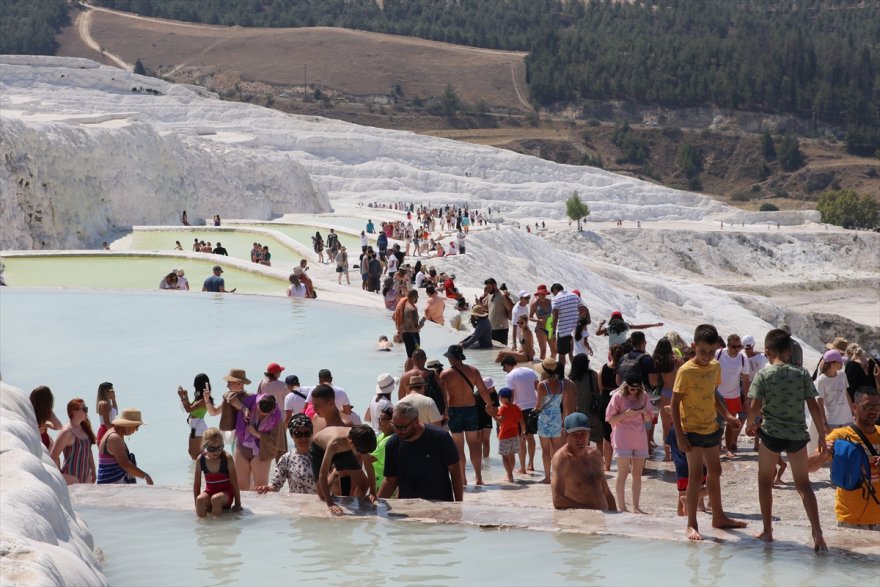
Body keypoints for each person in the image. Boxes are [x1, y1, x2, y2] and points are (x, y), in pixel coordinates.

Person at [746, 328, 827, 552]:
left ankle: (768, 530)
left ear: (767, 351)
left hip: (771, 435)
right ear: (789, 352)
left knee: (765, 481)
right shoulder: (801, 374)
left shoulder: (763, 374)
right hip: (797, 436)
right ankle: (817, 531)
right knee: (803, 485)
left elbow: (753, 407)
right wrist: (821, 434)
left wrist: (749, 425)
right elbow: (813, 405)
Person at [671, 323, 747, 541]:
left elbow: (714, 395)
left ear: (716, 349)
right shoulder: (685, 371)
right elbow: (675, 405)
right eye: (702, 351)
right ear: (694, 346)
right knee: (696, 475)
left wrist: (728, 415)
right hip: (691, 429)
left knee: (716, 471)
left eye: (711, 352)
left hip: (711, 426)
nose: (706, 356)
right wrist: (679, 435)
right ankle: (691, 523)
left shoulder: (715, 367)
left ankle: (719, 517)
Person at [808, 387, 880, 531]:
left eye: (877, 407)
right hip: (851, 519)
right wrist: (823, 454)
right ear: (854, 407)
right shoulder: (840, 437)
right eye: (868, 406)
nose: (873, 411)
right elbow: (807, 467)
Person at [378, 401, 463, 502]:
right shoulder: (392, 444)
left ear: (416, 422)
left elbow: (455, 471)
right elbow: (390, 481)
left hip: (440, 505)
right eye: (394, 426)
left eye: (402, 427)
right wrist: (377, 506)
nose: (397, 431)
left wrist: (458, 504)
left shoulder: (440, 438)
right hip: (408, 509)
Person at [439, 345, 495, 486]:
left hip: (454, 411)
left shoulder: (445, 374)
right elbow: (483, 390)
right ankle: (479, 478)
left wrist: (444, 413)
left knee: (459, 447)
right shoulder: (473, 371)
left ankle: (463, 479)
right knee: (474, 445)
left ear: (452, 358)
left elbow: (444, 397)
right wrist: (489, 405)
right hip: (471, 410)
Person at [223, 370, 284, 490]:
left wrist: (256, 433)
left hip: (262, 452)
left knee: (260, 489)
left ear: (272, 411)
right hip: (242, 448)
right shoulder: (250, 400)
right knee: (241, 489)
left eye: (265, 415)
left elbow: (276, 443)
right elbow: (228, 396)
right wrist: (244, 409)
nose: (261, 416)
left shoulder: (277, 418)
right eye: (259, 412)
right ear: (256, 404)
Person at [606, 372, 653, 513]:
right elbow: (610, 419)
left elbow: (648, 420)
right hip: (622, 435)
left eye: (637, 389)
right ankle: (622, 506)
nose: (634, 391)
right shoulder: (618, 396)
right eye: (632, 389)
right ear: (626, 386)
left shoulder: (644, 396)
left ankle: (636, 506)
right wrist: (626, 414)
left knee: (637, 474)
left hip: (639, 436)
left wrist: (644, 412)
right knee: (623, 473)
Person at [551, 413, 617, 510]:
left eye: (583, 433)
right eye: (575, 434)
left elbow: (606, 491)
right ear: (565, 434)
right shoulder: (562, 459)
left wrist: (614, 516)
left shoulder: (595, 455)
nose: (580, 438)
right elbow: (557, 500)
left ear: (589, 433)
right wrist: (591, 510)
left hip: (602, 519)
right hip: (581, 519)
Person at [310, 425, 378, 515]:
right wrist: (330, 504)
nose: (362, 454)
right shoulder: (334, 443)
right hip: (319, 449)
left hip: (345, 449)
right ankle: (335, 473)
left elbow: (369, 468)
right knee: (323, 495)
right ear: (350, 441)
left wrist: (373, 492)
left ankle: (353, 505)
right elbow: (322, 474)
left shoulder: (361, 442)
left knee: (364, 485)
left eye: (365, 451)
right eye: (360, 451)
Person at [256, 414, 317, 495]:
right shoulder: (287, 458)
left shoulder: (320, 455)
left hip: (319, 505)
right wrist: (267, 488)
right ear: (291, 435)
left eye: (306, 433)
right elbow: (276, 485)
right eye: (298, 434)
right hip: (298, 505)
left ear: (312, 433)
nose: (303, 438)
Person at [534, 358, 569, 484]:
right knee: (557, 450)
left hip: (544, 419)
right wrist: (564, 422)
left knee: (545, 450)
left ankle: (548, 477)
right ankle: (558, 475)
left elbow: (538, 406)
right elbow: (565, 406)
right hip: (556, 419)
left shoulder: (542, 385)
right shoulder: (562, 384)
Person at [501, 355, 539, 473]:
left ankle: (522, 468)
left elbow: (510, 396)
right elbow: (538, 388)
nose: (505, 371)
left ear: (507, 365)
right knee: (530, 437)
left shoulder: (510, 375)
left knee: (521, 438)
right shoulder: (530, 371)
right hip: (533, 407)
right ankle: (531, 464)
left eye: (504, 368)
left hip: (520, 409)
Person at [716, 334, 751, 456]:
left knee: (731, 424)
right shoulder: (719, 354)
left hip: (734, 396)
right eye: (734, 346)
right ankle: (717, 446)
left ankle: (728, 449)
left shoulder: (743, 359)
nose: (737, 349)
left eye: (739, 346)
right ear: (728, 345)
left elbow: (746, 380)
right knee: (716, 423)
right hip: (718, 394)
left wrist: (746, 399)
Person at [96, 408, 153, 485]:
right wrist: (145, 476)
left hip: (112, 483)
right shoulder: (114, 437)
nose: (136, 430)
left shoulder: (117, 434)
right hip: (111, 485)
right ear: (128, 425)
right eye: (137, 427)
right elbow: (125, 464)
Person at [193, 428, 242, 517]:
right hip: (210, 492)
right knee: (199, 500)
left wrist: (238, 503)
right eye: (212, 448)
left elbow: (234, 482)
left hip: (226, 495)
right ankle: (203, 528)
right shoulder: (201, 460)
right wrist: (196, 504)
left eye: (220, 448)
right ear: (205, 447)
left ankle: (217, 527)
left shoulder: (227, 458)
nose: (217, 451)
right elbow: (197, 484)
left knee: (216, 499)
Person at [50, 399, 96, 485]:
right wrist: (60, 476)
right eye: (84, 409)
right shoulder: (67, 432)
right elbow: (54, 455)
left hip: (85, 478)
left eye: (87, 409)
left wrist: (93, 469)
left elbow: (88, 450)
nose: (86, 412)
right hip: (71, 480)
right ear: (74, 412)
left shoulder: (84, 429)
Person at [178, 373, 222, 460]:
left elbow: (188, 409)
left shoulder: (203, 400)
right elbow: (190, 406)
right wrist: (185, 396)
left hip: (198, 427)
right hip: (195, 427)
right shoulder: (199, 397)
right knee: (191, 452)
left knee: (198, 454)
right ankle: (197, 470)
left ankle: (203, 469)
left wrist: (181, 397)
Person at [567, 354, 603, 452]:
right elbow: (599, 391)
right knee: (599, 439)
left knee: (583, 439)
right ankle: (601, 460)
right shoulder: (593, 374)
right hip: (594, 411)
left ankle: (584, 459)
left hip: (579, 413)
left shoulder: (571, 379)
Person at [653, 338, 680, 461]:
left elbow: (654, 380)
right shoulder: (676, 362)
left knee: (665, 426)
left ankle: (667, 455)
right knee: (677, 424)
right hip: (675, 393)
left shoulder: (657, 363)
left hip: (664, 393)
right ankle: (677, 452)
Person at [816, 350, 852, 432]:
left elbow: (846, 393)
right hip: (832, 421)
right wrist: (824, 422)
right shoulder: (821, 380)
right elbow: (820, 402)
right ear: (832, 364)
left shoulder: (842, 375)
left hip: (847, 418)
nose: (841, 364)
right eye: (839, 362)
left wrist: (853, 411)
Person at [495, 387, 524, 482]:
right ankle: (509, 475)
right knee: (512, 456)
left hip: (505, 436)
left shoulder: (503, 408)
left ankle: (510, 476)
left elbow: (500, 421)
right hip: (515, 435)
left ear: (504, 398)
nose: (499, 399)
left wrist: (492, 414)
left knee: (505, 457)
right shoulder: (516, 407)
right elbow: (522, 421)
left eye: (500, 397)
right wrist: (523, 432)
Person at [394, 289, 427, 371]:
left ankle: (406, 372)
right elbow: (414, 327)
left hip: (406, 333)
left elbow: (394, 316)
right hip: (412, 335)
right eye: (417, 296)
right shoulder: (412, 309)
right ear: (415, 297)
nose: (418, 298)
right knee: (413, 356)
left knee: (409, 356)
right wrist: (422, 324)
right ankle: (408, 374)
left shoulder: (404, 303)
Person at [550, 284, 580, 374]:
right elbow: (583, 309)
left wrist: (553, 331)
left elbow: (555, 316)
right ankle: (575, 373)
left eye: (553, 293)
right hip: (575, 329)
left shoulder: (556, 299)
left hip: (563, 331)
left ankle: (560, 374)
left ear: (555, 290)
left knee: (562, 355)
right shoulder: (574, 296)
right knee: (572, 353)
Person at [596, 311, 664, 349]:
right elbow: (641, 327)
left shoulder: (610, 328)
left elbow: (597, 333)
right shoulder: (625, 326)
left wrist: (601, 325)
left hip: (612, 351)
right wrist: (655, 325)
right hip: (622, 350)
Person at [367, 406, 395, 491]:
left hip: (383, 484)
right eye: (379, 418)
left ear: (391, 422)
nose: (379, 421)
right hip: (377, 481)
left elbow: (369, 459)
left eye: (382, 419)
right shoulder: (382, 435)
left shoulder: (389, 440)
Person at [479, 278, 513, 346]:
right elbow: (488, 309)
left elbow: (510, 307)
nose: (487, 289)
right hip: (490, 328)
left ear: (494, 285)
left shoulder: (502, 294)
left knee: (501, 350)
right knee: (492, 351)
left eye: (489, 287)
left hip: (501, 329)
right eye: (487, 287)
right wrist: (480, 305)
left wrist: (505, 297)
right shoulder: (490, 294)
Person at [30, 385, 62, 450]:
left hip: (32, 438)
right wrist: (47, 425)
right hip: (43, 439)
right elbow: (58, 426)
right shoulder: (48, 412)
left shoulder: (29, 409)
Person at [530, 285, 555, 360]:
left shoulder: (550, 302)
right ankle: (541, 369)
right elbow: (530, 317)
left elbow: (554, 313)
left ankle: (551, 366)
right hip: (540, 328)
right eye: (542, 294)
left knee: (554, 350)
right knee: (543, 351)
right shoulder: (535, 303)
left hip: (549, 327)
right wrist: (538, 320)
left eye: (545, 293)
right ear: (538, 294)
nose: (544, 295)